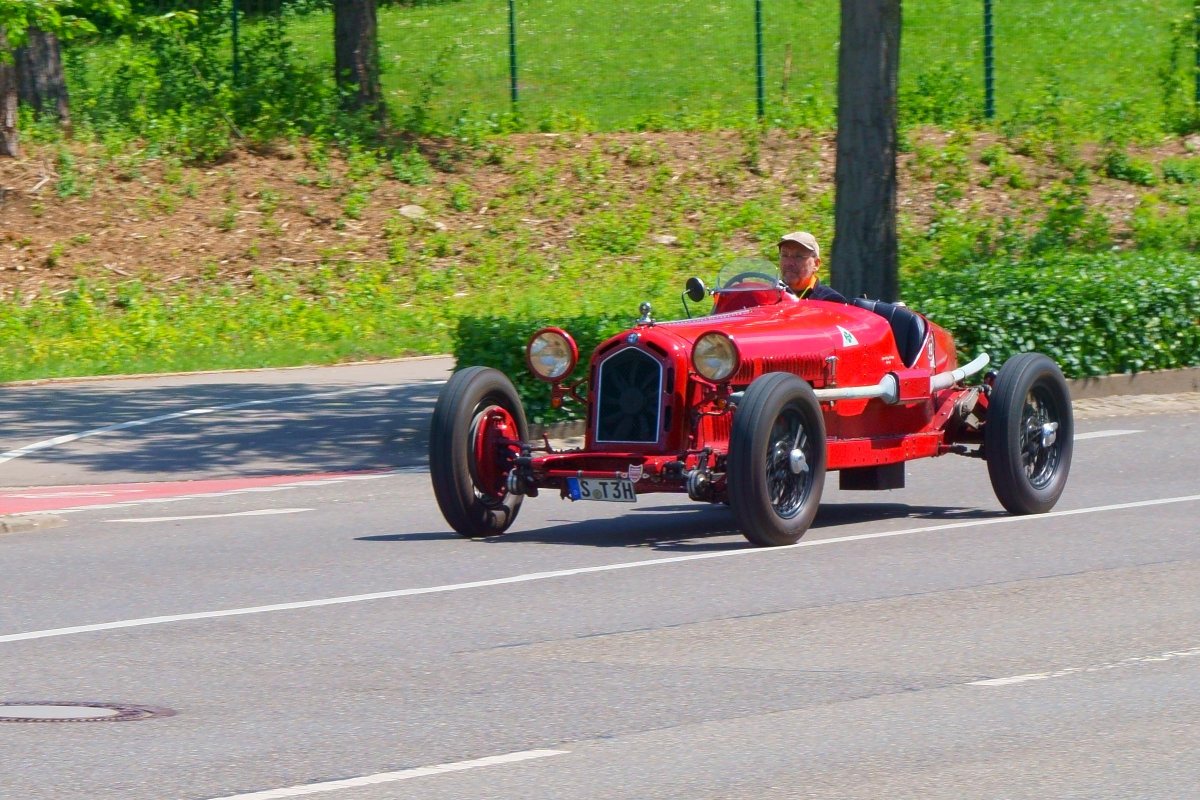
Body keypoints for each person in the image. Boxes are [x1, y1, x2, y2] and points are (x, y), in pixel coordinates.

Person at [778, 231, 846, 302]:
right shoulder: (773, 294)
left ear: (816, 264)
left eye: (798, 256)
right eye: (784, 255)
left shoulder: (829, 300)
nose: (789, 263)